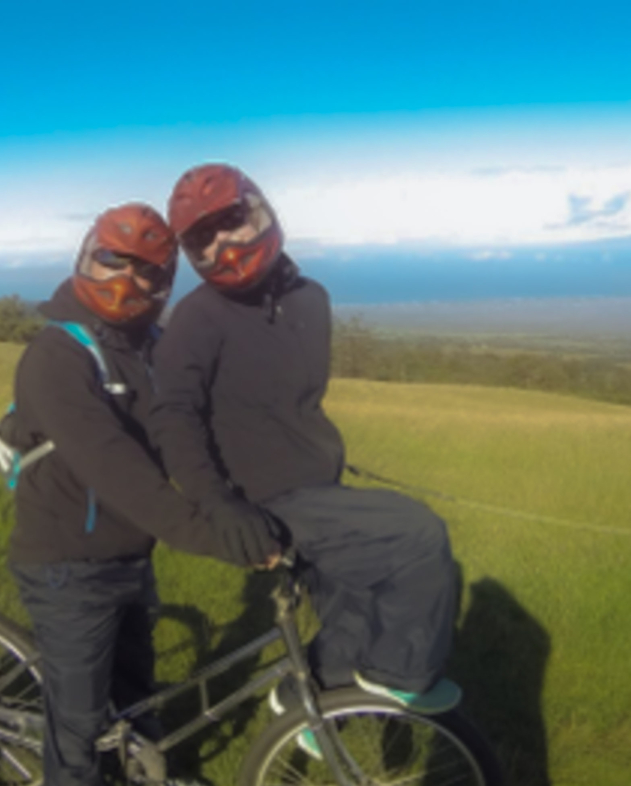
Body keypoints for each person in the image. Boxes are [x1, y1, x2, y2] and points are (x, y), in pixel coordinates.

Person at [150, 164, 462, 745]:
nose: (221, 243)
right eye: (201, 238)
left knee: (358, 592)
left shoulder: (310, 299)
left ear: (260, 210)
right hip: (261, 499)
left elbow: (296, 402)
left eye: (231, 221)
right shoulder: (198, 319)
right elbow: (173, 417)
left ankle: (306, 698)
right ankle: (398, 673)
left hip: (317, 484)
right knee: (417, 537)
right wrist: (219, 503)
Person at [7, 202, 233, 786]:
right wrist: (204, 532)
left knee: (136, 676)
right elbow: (115, 467)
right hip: (65, 560)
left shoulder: (148, 342)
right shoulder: (57, 354)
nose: (126, 280)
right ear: (87, 254)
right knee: (74, 723)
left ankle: (149, 772)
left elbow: (188, 428)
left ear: (164, 283)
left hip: (131, 552)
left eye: (146, 271)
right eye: (113, 260)